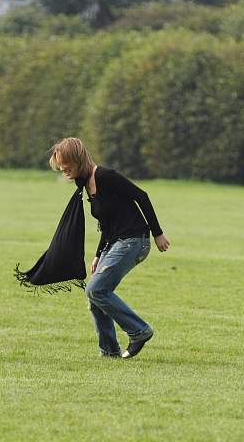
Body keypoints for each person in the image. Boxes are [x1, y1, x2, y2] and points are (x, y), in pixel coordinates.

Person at [49, 137, 170, 359]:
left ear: (77, 159)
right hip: (116, 242)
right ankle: (110, 351)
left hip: (134, 241)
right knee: (95, 297)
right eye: (60, 165)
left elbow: (141, 196)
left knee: (95, 290)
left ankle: (139, 331)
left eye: (65, 164)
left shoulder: (105, 176)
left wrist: (157, 233)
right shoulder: (87, 184)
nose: (62, 169)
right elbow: (108, 223)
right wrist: (98, 254)